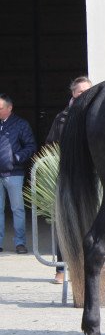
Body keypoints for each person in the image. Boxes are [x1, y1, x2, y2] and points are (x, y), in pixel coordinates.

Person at [46, 76, 92, 283]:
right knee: (64, 225)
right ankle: (61, 270)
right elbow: (50, 145)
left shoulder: (99, 115)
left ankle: (86, 270)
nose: (83, 95)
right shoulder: (62, 118)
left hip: (91, 178)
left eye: (87, 91)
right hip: (67, 178)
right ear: (73, 94)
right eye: (79, 92)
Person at [0, 94, 37, 254]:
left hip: (14, 174)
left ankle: (20, 243)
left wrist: (16, 158)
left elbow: (31, 146)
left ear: (9, 108)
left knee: (18, 210)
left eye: (0, 108)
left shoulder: (21, 124)